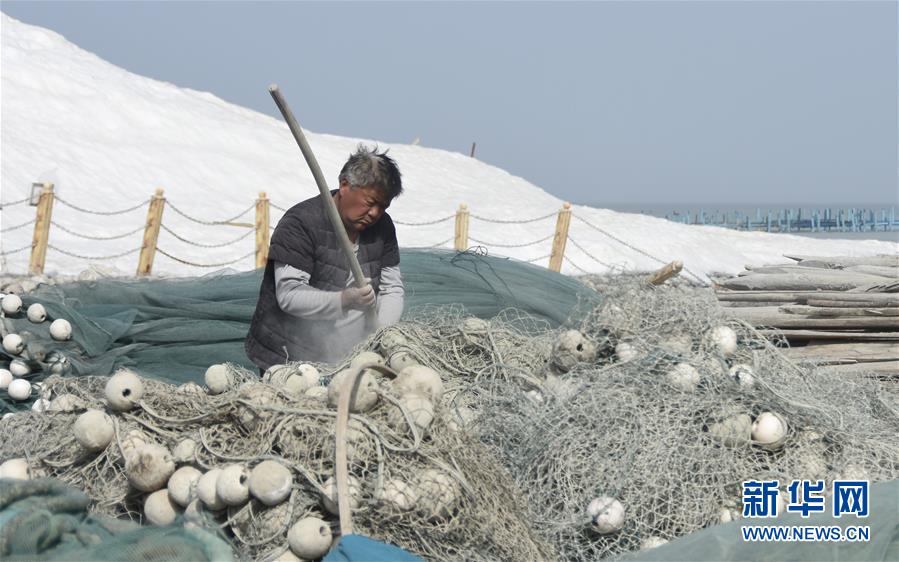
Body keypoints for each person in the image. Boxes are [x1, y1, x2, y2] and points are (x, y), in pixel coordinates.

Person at [245, 145, 405, 371]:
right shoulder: (300, 223)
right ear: (345, 185)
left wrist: (382, 335)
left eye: (383, 206)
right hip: (287, 357)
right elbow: (289, 295)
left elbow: (392, 288)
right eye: (370, 203)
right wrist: (344, 300)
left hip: (351, 357)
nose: (375, 214)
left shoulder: (383, 227)